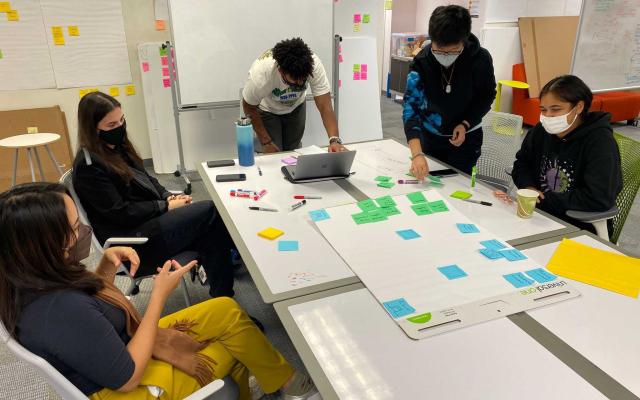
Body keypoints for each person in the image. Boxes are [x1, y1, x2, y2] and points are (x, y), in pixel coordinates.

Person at [0, 183, 318, 400]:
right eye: (73, 229)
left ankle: (278, 380)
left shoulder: (34, 275)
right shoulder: (56, 309)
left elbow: (93, 315)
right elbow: (127, 377)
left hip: (118, 347)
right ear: (41, 245)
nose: (84, 232)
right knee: (235, 343)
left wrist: (105, 271)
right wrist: (159, 297)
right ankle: (285, 382)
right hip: (128, 386)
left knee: (225, 309)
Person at [72, 92, 234, 298]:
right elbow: (121, 213)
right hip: (133, 242)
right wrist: (164, 207)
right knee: (210, 211)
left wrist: (167, 196)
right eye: (112, 125)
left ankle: (224, 300)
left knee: (212, 232)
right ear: (92, 129)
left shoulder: (116, 147)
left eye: (122, 120)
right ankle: (233, 269)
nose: (120, 127)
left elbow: (146, 179)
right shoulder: (89, 167)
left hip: (148, 223)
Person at [511, 75, 622, 234]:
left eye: (556, 109)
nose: (547, 116)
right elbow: (522, 163)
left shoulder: (600, 142)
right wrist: (529, 187)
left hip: (577, 225)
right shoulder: (541, 131)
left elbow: (598, 197)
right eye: (543, 109)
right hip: (537, 215)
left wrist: (545, 200)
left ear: (578, 107)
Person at [403, 5, 496, 177]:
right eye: (438, 50)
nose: (445, 56)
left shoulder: (480, 59)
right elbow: (411, 108)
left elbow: (487, 95)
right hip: (430, 137)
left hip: (466, 139)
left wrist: (466, 123)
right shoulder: (421, 62)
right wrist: (417, 154)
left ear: (464, 40)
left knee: (461, 187)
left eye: (453, 51)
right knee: (429, 185)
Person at [242, 37, 347, 153]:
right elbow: (248, 106)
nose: (299, 84)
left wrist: (335, 141)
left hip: (296, 107)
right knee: (273, 154)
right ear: (281, 71)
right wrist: (266, 142)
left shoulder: (313, 65)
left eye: (302, 80)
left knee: (293, 153)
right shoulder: (261, 74)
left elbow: (325, 105)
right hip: (268, 110)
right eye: (293, 81)